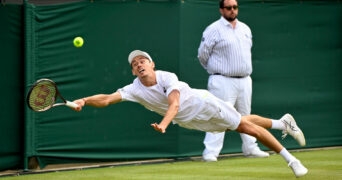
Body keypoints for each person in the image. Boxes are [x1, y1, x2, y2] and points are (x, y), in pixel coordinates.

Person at [72, 50, 308, 178]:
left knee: (244, 127)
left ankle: (292, 161)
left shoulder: (166, 77)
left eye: (143, 60)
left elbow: (173, 104)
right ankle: (282, 123)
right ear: (133, 70)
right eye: (135, 64)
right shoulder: (133, 89)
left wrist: (164, 124)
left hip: (204, 104)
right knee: (241, 121)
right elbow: (106, 98)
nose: (139, 64)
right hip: (192, 122)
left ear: (152, 64)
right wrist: (84, 100)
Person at [197, 0, 268, 161]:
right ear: (221, 10)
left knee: (246, 115)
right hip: (222, 79)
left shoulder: (245, 28)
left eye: (235, 7)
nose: (232, 10)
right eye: (228, 8)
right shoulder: (213, 29)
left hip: (244, 79)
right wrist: (214, 71)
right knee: (218, 115)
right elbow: (203, 54)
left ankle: (250, 148)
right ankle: (210, 152)